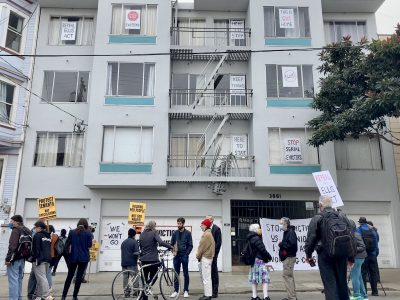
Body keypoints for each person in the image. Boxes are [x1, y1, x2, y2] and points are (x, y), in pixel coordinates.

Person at [304, 196, 355, 300]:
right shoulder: (341, 216)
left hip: (325, 255)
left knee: (330, 285)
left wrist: (308, 255)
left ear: (320, 205)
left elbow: (311, 239)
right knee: (342, 284)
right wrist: (351, 258)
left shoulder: (317, 218)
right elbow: (351, 236)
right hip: (341, 254)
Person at [139, 220, 174, 300]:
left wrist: (154, 249)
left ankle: (144, 296)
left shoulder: (142, 234)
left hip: (143, 260)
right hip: (153, 259)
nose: (155, 227)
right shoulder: (154, 232)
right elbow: (161, 242)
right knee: (154, 276)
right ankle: (147, 287)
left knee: (144, 278)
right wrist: (170, 246)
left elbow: (141, 247)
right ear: (152, 226)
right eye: (155, 226)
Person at [61, 218, 93, 300]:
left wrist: (68, 256)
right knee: (79, 278)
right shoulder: (88, 233)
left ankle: (63, 296)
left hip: (73, 257)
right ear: (86, 224)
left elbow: (67, 245)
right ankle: (74, 296)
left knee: (69, 276)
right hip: (84, 258)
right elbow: (89, 245)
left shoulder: (72, 232)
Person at [5, 215, 32, 300]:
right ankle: (19, 298)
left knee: (13, 280)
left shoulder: (16, 230)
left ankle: (13, 299)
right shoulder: (27, 230)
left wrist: (8, 259)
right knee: (19, 279)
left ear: (16, 222)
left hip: (14, 259)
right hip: (23, 258)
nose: (10, 223)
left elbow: (12, 246)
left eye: (11, 221)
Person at [247, 223, 272, 300]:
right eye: (259, 228)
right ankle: (266, 296)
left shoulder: (250, 238)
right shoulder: (256, 238)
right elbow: (262, 250)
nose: (260, 229)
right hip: (259, 260)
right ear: (255, 230)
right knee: (265, 278)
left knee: (254, 279)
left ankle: (254, 296)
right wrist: (269, 256)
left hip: (253, 261)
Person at [170, 217, 193, 298]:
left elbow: (190, 245)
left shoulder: (188, 233)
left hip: (184, 256)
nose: (178, 225)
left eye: (180, 223)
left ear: (183, 224)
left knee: (186, 274)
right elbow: (171, 244)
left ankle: (186, 290)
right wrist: (173, 251)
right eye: (178, 223)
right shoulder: (174, 233)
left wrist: (186, 254)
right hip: (176, 256)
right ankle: (176, 291)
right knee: (176, 274)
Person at [32, 220, 53, 300]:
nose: (34, 229)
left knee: (41, 278)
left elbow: (36, 249)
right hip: (47, 259)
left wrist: (35, 258)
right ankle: (38, 296)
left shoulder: (37, 235)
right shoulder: (48, 236)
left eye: (35, 227)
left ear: (39, 228)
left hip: (39, 259)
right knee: (40, 278)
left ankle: (46, 295)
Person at [358, 217, 380, 296]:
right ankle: (375, 291)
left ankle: (364, 292)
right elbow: (376, 242)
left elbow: (358, 241)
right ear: (366, 222)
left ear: (360, 223)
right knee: (373, 273)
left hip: (364, 255)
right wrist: (375, 253)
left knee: (363, 273)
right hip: (373, 254)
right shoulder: (373, 230)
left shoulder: (358, 230)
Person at [278, 217, 298, 300]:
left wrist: (281, 244)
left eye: (281, 223)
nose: (279, 225)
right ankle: (291, 296)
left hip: (289, 258)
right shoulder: (287, 232)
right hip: (287, 257)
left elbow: (292, 245)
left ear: (286, 224)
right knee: (289, 277)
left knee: (287, 277)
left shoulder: (291, 232)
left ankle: (292, 297)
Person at [196, 219, 215, 300]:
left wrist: (197, 255)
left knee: (206, 277)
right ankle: (207, 294)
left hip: (206, 258)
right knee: (207, 277)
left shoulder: (206, 234)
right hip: (208, 258)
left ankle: (207, 295)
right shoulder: (209, 234)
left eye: (202, 225)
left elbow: (201, 247)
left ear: (205, 225)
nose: (200, 226)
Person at [350, 220, 368, 300]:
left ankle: (356, 295)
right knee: (358, 276)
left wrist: (351, 249)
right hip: (360, 257)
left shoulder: (354, 235)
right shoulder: (355, 234)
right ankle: (364, 295)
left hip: (357, 258)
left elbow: (362, 246)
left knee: (354, 276)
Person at [206, 215, 222, 298]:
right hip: (207, 255)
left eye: (207, 219)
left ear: (211, 220)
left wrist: (214, 253)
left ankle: (215, 292)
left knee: (214, 272)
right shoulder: (206, 229)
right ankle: (209, 290)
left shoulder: (216, 229)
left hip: (213, 254)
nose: (205, 220)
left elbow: (218, 243)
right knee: (208, 273)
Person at [121, 228, 139, 297]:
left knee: (125, 278)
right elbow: (136, 253)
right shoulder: (134, 242)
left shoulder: (123, 242)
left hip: (124, 263)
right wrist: (139, 258)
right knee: (135, 277)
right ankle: (135, 293)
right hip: (132, 264)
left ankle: (126, 293)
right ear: (134, 235)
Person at [46, 225, 58, 290]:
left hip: (48, 255)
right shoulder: (56, 236)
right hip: (54, 256)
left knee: (47, 272)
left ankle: (48, 287)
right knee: (49, 271)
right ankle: (49, 286)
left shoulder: (47, 236)